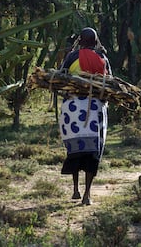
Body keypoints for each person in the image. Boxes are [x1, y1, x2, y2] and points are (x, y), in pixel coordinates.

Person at [58, 27, 111, 205]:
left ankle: (75, 190)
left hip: (72, 109)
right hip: (95, 109)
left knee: (75, 150)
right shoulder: (103, 59)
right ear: (96, 42)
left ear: (80, 41)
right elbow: (110, 82)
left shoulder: (72, 57)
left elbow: (60, 77)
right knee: (92, 152)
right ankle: (87, 195)